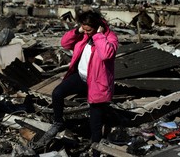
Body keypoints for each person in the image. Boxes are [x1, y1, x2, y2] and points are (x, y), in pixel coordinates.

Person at [34, 9, 119, 156]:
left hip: (97, 83)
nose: (86, 32)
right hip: (81, 77)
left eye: (89, 29)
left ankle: (96, 151)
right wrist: (78, 31)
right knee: (57, 93)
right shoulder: (84, 35)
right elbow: (65, 43)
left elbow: (106, 54)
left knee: (95, 123)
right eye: (83, 28)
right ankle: (59, 123)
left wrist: (98, 35)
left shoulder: (109, 37)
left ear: (98, 26)